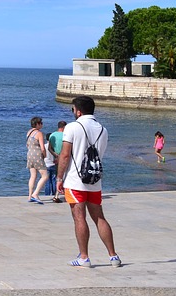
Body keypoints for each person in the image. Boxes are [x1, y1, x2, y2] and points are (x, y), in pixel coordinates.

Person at [56, 95, 122, 268]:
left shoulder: (72, 127)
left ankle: (84, 257)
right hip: (94, 180)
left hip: (75, 180)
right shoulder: (103, 130)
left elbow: (64, 155)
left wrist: (59, 177)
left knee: (79, 218)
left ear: (78, 111)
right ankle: (113, 256)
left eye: (73, 109)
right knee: (99, 217)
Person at [26, 116, 48, 204]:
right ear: (37, 124)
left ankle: (29, 195)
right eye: (41, 123)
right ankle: (35, 193)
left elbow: (27, 145)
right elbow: (42, 148)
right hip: (37, 155)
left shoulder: (29, 132)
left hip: (29, 154)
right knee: (45, 176)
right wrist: (45, 155)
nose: (42, 125)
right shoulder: (39, 133)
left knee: (33, 176)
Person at [49, 121, 67, 202]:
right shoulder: (65, 135)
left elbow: (49, 148)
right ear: (64, 127)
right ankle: (65, 194)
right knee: (66, 176)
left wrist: (56, 155)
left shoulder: (52, 135)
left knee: (58, 177)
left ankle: (56, 195)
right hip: (65, 158)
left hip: (57, 158)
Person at [44, 133, 57, 198]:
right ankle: (54, 193)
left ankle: (47, 194)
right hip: (53, 164)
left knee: (47, 181)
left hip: (46, 164)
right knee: (54, 180)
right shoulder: (54, 147)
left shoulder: (44, 146)